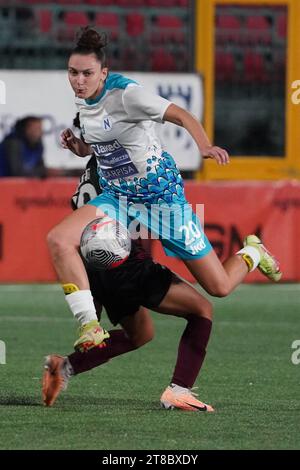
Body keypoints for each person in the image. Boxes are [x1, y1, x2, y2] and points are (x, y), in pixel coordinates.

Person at [47, 27, 282, 353]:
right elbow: (98, 145)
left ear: (104, 72)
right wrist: (78, 147)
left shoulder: (128, 95)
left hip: (162, 200)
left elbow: (182, 115)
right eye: (73, 73)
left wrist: (205, 146)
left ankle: (253, 252)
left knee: (219, 287)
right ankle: (90, 326)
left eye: (87, 73)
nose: (79, 80)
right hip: (117, 197)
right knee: (58, 239)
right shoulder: (84, 103)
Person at [43, 155, 215, 412]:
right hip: (123, 259)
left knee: (141, 334)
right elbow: (143, 210)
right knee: (202, 309)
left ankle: (65, 366)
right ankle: (179, 391)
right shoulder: (121, 163)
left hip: (90, 260)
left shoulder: (92, 168)